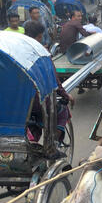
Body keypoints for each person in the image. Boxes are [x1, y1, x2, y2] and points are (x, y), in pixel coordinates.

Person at [24, 20, 75, 159]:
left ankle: (32, 142)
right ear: (40, 36)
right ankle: (51, 146)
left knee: (30, 118)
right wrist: (66, 95)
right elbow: (54, 81)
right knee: (62, 111)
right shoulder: (42, 52)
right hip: (38, 103)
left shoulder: (16, 51)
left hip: (19, 103)